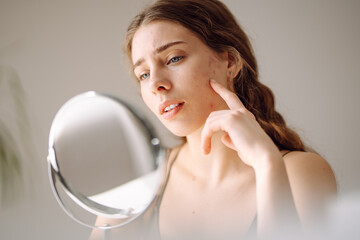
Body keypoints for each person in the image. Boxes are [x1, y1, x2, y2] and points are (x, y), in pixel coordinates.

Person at [90, 0, 337, 239]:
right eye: (143, 74)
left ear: (229, 61)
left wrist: (267, 164)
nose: (155, 84)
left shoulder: (300, 173)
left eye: (174, 58)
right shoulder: (144, 184)